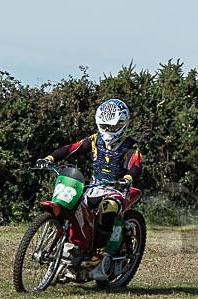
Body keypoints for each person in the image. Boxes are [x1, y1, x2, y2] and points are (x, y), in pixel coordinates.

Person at [40, 98, 143, 279]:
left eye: (112, 127)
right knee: (73, 206)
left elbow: (136, 164)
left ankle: (98, 252)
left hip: (118, 189)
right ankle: (74, 246)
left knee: (108, 208)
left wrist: (128, 177)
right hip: (94, 186)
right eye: (104, 126)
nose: (108, 130)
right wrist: (50, 158)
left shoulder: (130, 145)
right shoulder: (94, 140)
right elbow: (71, 148)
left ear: (122, 124)